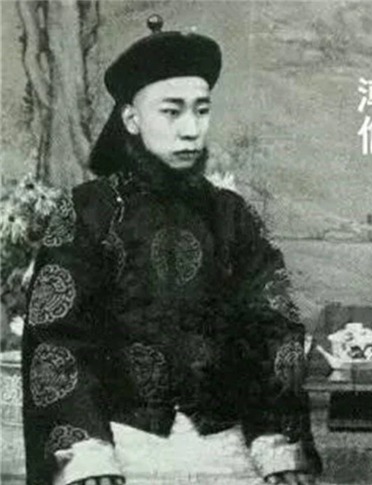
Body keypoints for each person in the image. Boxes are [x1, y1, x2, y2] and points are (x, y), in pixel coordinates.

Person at [22, 15, 322, 485]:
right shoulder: (88, 212)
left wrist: (276, 445)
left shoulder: (232, 215)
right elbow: (57, 340)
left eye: (201, 111)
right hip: (119, 445)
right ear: (131, 119)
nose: (190, 129)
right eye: (172, 111)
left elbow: (273, 329)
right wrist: (89, 458)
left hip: (229, 444)